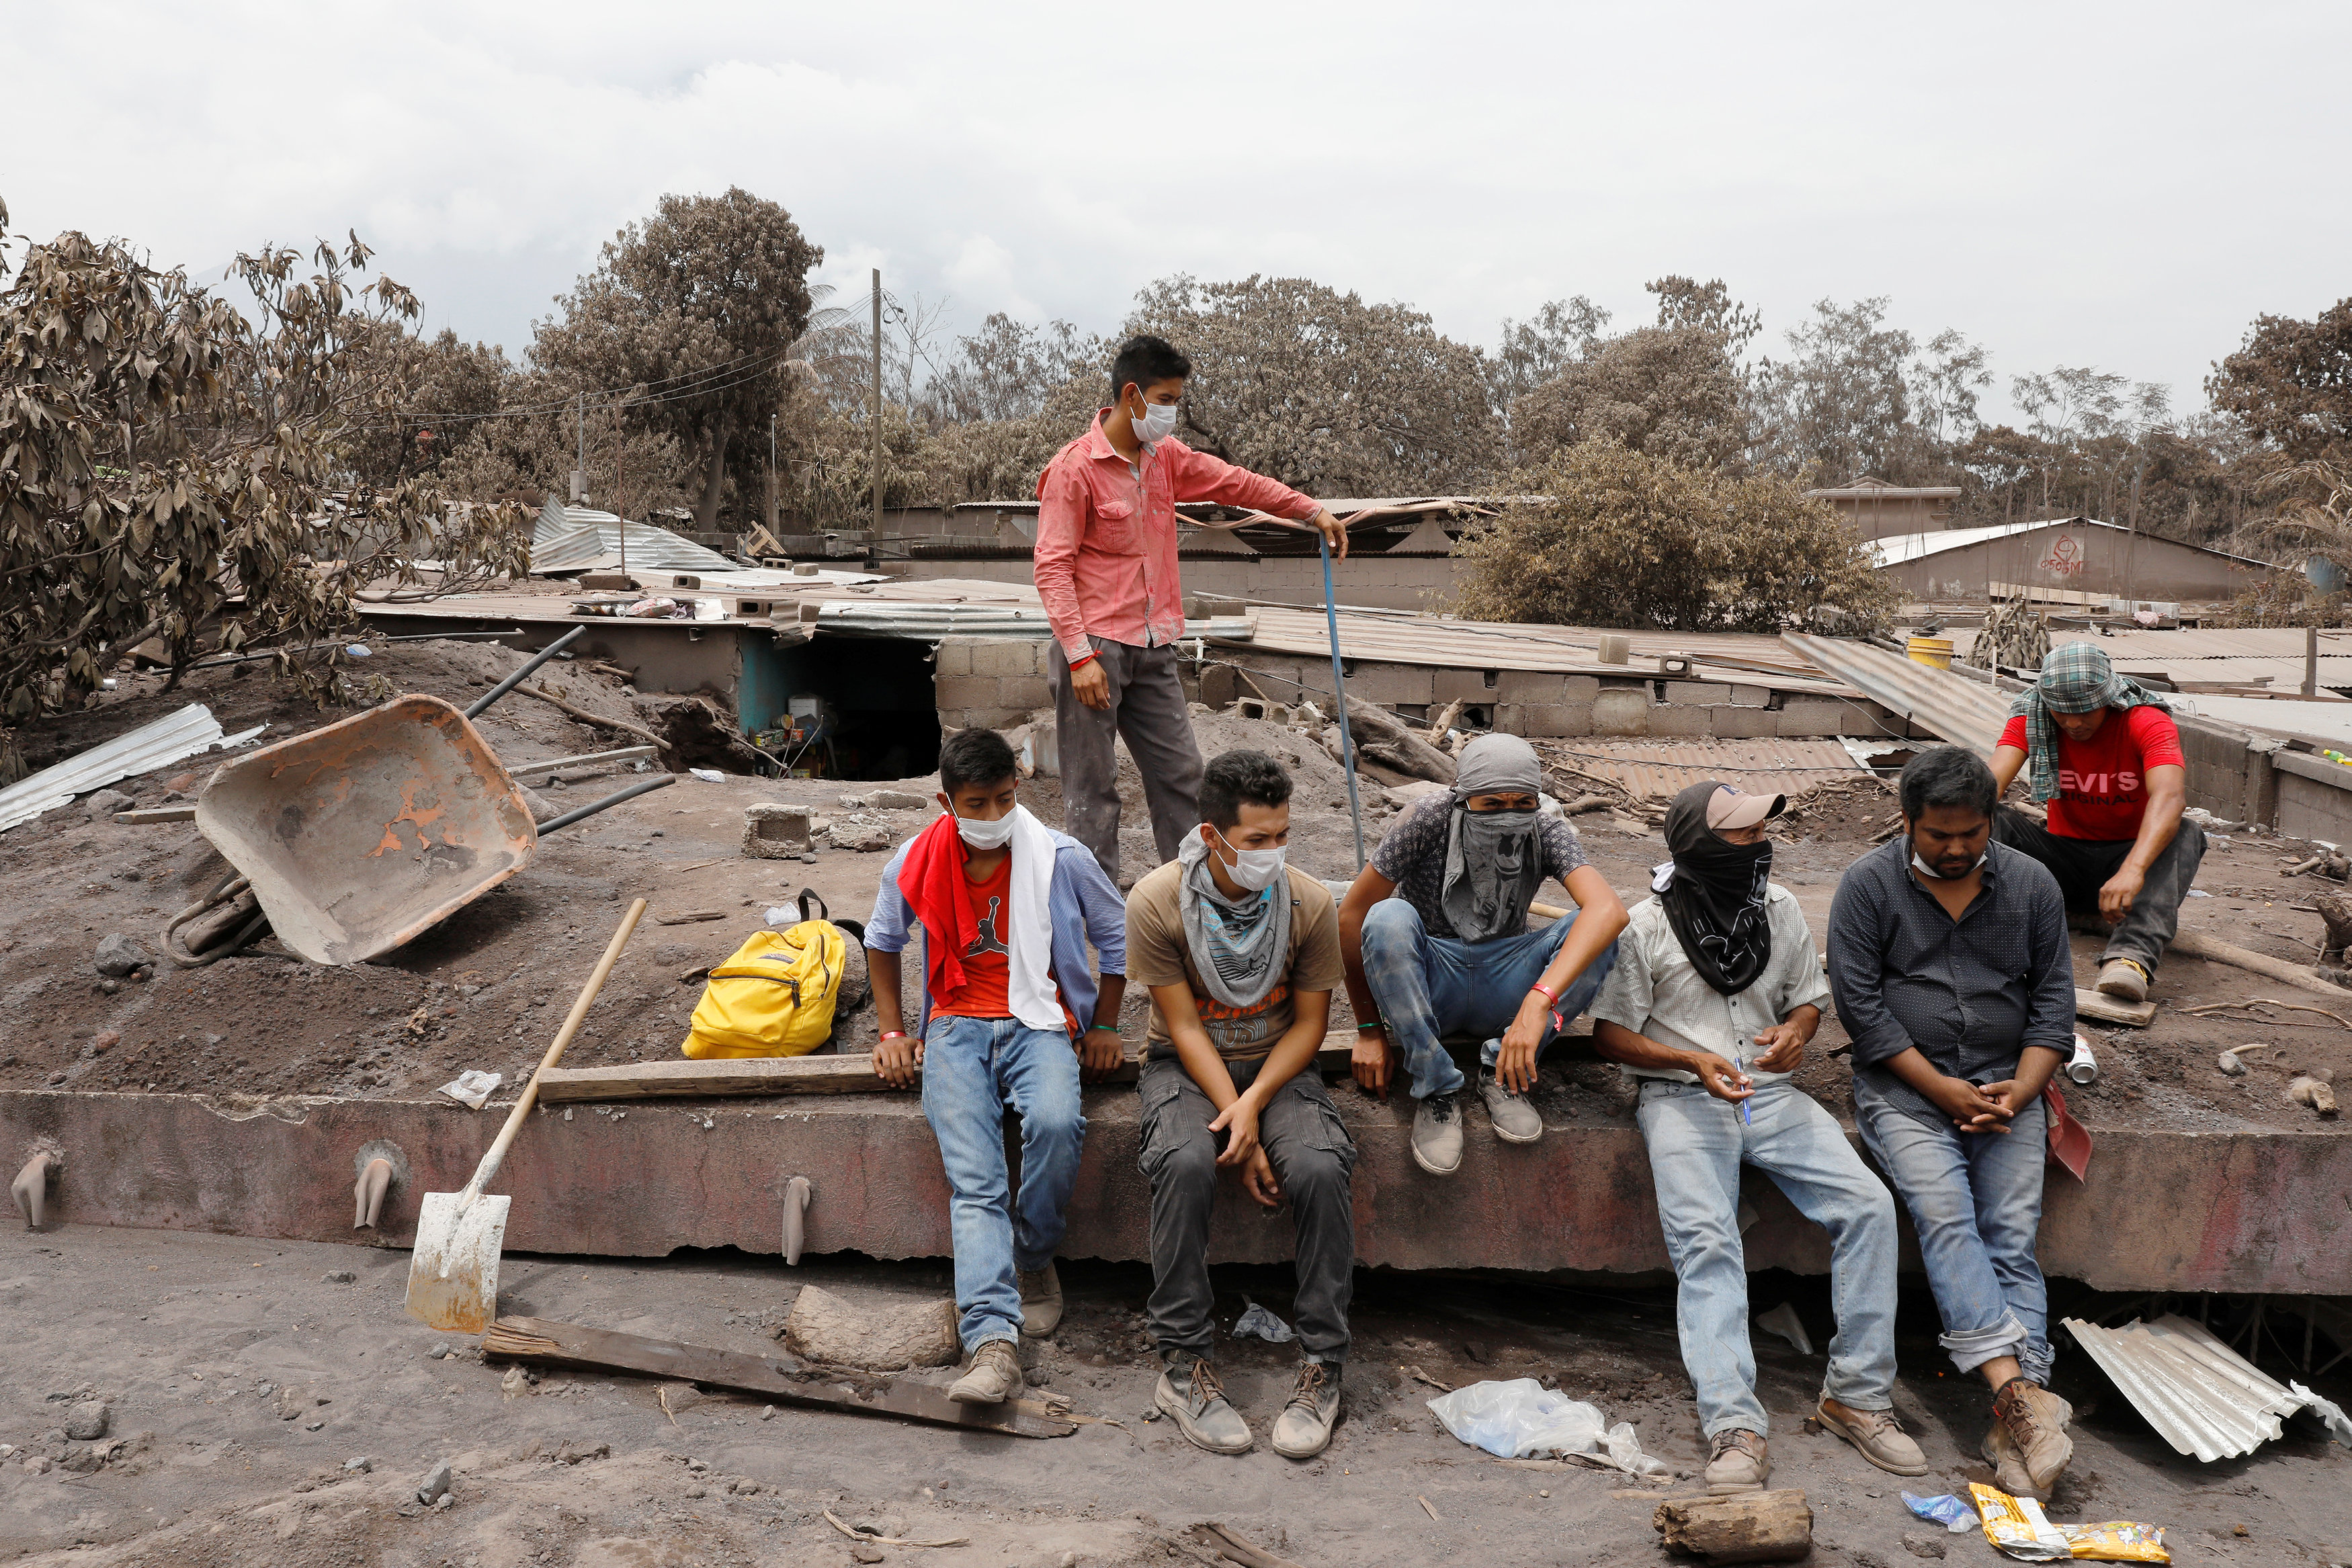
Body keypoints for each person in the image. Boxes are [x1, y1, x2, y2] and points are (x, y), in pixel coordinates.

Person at [1591, 782, 1925, 1494]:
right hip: (1681, 1097)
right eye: (1740, 837)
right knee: (1706, 1241)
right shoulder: (1646, 925)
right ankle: (1733, 1426)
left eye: (1756, 834)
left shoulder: (1776, 910)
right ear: (1698, 845)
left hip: (1768, 1095)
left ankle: (1856, 1399)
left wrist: (1794, 1037)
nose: (1757, 846)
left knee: (1867, 1207)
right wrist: (1688, 1059)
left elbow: (1807, 1001)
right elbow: (1610, 1035)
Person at [1827, 745, 2078, 1501]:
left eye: (1970, 832)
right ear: (1907, 824)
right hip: (1905, 1091)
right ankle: (2017, 1398)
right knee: (1944, 1213)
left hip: (2009, 1088)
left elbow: (2052, 1007)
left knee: (2010, 1233)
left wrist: (2018, 1091)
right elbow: (1862, 1013)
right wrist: (1941, 1091)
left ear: (1988, 821)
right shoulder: (1866, 886)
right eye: (1939, 834)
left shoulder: (2030, 885)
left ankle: (2015, 1430)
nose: (1957, 847)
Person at [864, 728, 1128, 1406]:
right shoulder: (914, 860)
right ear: (944, 801)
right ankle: (991, 1344)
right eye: (975, 804)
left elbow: (1116, 935)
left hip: (1040, 1019)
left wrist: (1102, 1024)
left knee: (1055, 1121)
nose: (991, 817)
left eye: (1004, 800)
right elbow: (881, 940)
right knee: (975, 1181)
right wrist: (893, 1030)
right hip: (953, 1028)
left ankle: (1034, 1255)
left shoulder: (1059, 857)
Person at [1034, 334, 1353, 883]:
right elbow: (1052, 567)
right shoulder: (1075, 469)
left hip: (1155, 647)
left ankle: (1191, 893)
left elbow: (1237, 484)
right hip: (1096, 652)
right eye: (1166, 399)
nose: (1171, 413)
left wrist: (1310, 510)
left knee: (1182, 775)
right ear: (1131, 395)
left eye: (1177, 400)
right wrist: (1079, 657)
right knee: (1093, 788)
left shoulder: (1165, 459)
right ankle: (1097, 910)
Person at [1124, 749, 1353, 1458]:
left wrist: (1253, 1104)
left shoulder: (1309, 902)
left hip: (1278, 1071)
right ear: (1212, 834)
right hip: (1183, 1067)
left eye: (1282, 835)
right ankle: (1181, 1365)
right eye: (1257, 840)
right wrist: (1239, 1126)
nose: (1273, 853)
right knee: (1188, 1160)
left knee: (1318, 1168)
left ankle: (1323, 1363)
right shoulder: (1157, 900)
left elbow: (1311, 1026)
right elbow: (1185, 1027)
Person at [1337, 733, 1626, 1176]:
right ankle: (1435, 1086)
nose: (1508, 815)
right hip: (1433, 982)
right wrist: (1369, 1029)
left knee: (1598, 932)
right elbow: (1352, 915)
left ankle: (1502, 1075)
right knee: (1388, 917)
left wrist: (1538, 1000)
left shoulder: (1545, 829)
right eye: (1491, 804)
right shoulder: (1426, 820)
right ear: (1462, 798)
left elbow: (1608, 909)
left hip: (1507, 978)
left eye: (1522, 802)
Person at [1990, 640, 2203, 1003]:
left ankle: (2129, 959)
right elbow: (1988, 785)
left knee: (2186, 833)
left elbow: (2170, 797)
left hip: (2132, 871)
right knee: (1986, 815)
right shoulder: (2032, 718)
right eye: (2061, 711)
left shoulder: (2146, 721)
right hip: (2059, 864)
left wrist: (2133, 870)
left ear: (2108, 698)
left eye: (2085, 711)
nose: (2073, 723)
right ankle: (1978, 930)